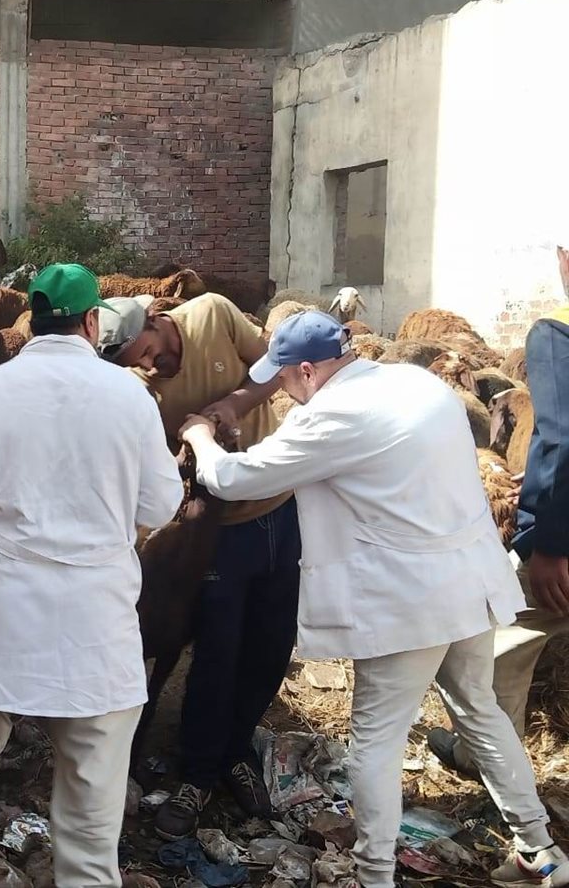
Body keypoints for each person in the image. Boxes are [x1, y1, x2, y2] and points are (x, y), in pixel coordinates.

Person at [178, 311, 566, 888]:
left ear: (307, 371)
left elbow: (236, 480)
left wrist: (199, 436)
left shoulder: (334, 416)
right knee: (479, 710)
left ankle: (374, 874)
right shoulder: (416, 383)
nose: (282, 389)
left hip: (409, 601)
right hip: (469, 579)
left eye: (283, 378)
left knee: (375, 742)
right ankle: (541, 850)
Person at [0, 263, 184, 888]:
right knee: (92, 824)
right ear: (93, 321)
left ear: (33, 321)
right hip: (94, 633)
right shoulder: (130, 396)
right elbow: (159, 506)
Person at [96, 293, 300, 836]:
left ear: (155, 322)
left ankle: (237, 752)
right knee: (216, 650)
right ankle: (198, 774)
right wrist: (188, 448)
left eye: (146, 352)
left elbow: (274, 369)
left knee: (271, 646)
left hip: (279, 507)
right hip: (216, 528)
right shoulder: (140, 389)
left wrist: (233, 404)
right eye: (135, 363)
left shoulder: (213, 313)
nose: (148, 366)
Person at [428, 242, 569, 777]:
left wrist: (549, 545)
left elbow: (562, 437)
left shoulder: (557, 331)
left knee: (495, 640)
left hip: (561, 544)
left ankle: (482, 759)